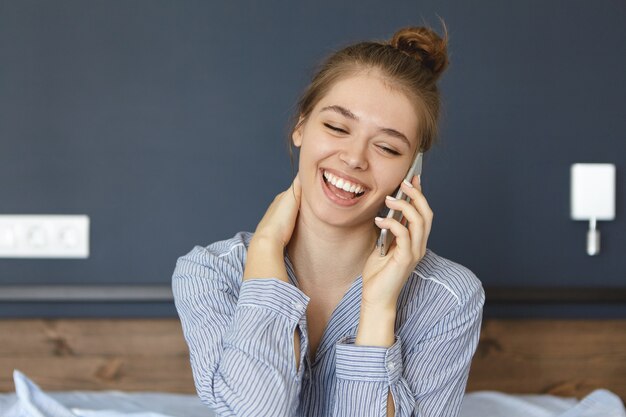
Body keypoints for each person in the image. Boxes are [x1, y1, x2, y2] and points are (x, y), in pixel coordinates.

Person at [172, 24, 485, 417]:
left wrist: (378, 307)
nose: (355, 157)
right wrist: (266, 254)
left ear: (412, 170)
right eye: (337, 127)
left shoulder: (448, 298)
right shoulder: (210, 272)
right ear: (301, 126)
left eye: (387, 147)